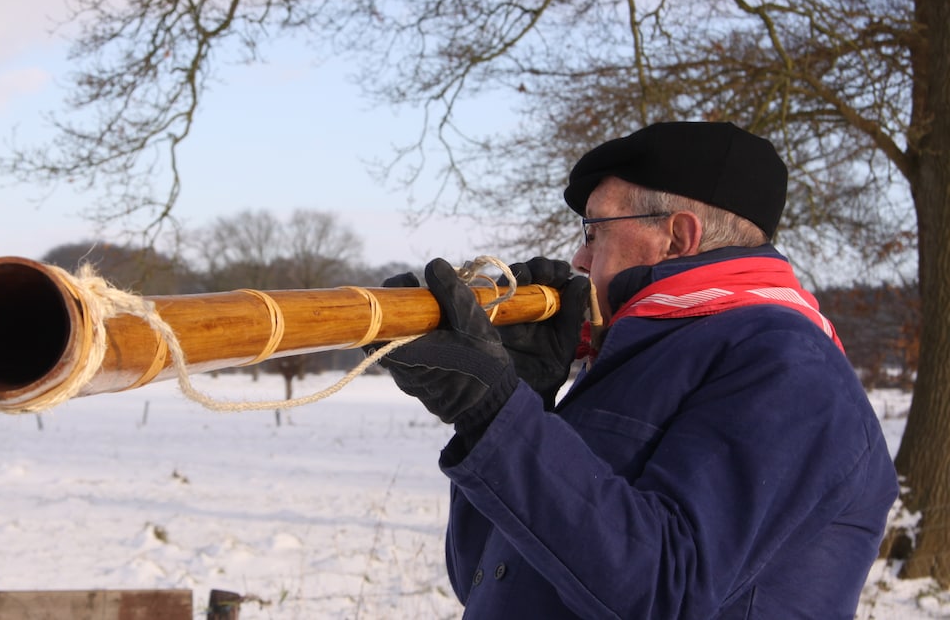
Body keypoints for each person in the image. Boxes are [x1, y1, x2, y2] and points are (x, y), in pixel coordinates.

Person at [376, 121, 899, 618]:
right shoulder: (638, 357)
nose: (580, 258)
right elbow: (483, 575)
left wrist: (496, 417)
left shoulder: (788, 367)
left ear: (677, 237)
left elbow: (666, 589)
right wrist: (522, 402)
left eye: (595, 229)